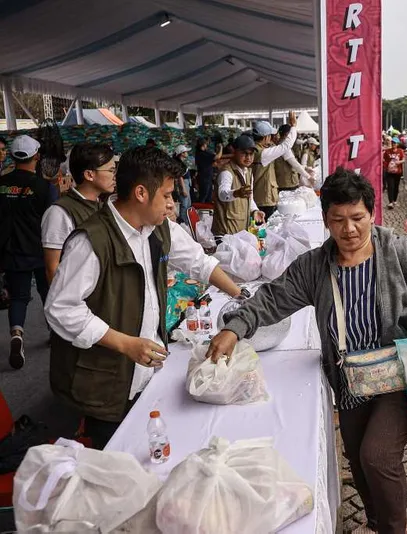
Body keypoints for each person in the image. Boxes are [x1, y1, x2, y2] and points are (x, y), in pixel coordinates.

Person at [206, 168, 407, 533]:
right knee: (356, 458)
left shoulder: (397, 249)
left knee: (377, 456)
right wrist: (235, 328)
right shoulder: (314, 266)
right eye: (338, 220)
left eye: (357, 218)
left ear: (371, 214)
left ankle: (395, 528)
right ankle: (375, 522)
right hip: (349, 378)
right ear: (325, 219)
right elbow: (272, 299)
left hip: (398, 374)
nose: (349, 230)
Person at [45, 146, 244, 448]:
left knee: (154, 447)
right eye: (166, 195)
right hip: (106, 380)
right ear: (140, 193)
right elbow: (61, 308)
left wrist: (240, 295)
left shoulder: (158, 229)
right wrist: (125, 343)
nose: (171, 204)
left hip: (146, 372)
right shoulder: (93, 241)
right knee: (117, 459)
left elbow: (199, 262)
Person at [0, 136, 53, 369]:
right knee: (48, 293)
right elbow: (53, 221)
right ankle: (55, 332)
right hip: (41, 250)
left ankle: (17, 334)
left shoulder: (0, 184)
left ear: (12, 156)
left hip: (12, 252)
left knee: (19, 297)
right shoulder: (45, 187)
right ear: (37, 157)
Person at [41, 143, 116, 283]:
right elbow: (53, 268)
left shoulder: (102, 206)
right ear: (89, 174)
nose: (114, 176)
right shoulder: (59, 213)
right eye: (111, 170)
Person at [212, 135, 264, 239]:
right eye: (244, 153)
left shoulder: (248, 172)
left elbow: (250, 198)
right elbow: (222, 194)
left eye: (251, 154)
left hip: (240, 231)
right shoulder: (227, 172)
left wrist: (255, 210)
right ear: (234, 152)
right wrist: (236, 193)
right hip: (225, 234)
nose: (248, 157)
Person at [251, 121, 280, 219]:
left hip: (260, 193)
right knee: (265, 226)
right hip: (265, 195)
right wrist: (293, 128)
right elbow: (284, 147)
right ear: (265, 137)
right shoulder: (263, 153)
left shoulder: (255, 149)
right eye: (270, 135)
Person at [273, 123, 312, 192]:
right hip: (287, 183)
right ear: (287, 134)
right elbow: (294, 164)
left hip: (283, 181)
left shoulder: (280, 145)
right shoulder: (284, 147)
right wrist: (308, 177)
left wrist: (305, 168)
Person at [194, 137, 221, 204]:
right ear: (203, 145)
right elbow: (217, 157)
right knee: (204, 195)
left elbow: (212, 161)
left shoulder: (201, 153)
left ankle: (205, 210)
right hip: (204, 178)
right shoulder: (202, 154)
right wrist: (221, 148)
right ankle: (200, 210)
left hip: (207, 177)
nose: (207, 145)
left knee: (208, 196)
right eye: (206, 144)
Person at [383, 137, 405, 209]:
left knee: (396, 187)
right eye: (392, 143)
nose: (393, 144)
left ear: (397, 144)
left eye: (395, 143)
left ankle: (394, 200)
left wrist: (399, 162)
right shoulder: (387, 151)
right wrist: (385, 166)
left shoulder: (400, 151)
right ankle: (390, 202)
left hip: (397, 172)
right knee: (390, 186)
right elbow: (384, 159)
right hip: (389, 172)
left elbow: (404, 159)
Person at [173, 145, 192, 224]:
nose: (187, 153)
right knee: (184, 204)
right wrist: (183, 189)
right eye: (185, 152)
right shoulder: (178, 163)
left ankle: (186, 222)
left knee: (188, 203)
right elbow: (180, 177)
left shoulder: (180, 162)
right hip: (183, 183)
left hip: (186, 183)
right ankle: (183, 223)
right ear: (181, 153)